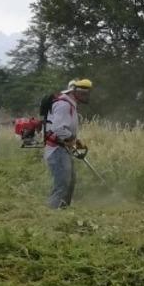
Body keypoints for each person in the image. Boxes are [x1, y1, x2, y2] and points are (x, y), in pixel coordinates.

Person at [44, 78, 93, 209]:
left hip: (63, 149)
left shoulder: (70, 105)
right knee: (62, 184)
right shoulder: (64, 105)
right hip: (57, 150)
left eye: (87, 93)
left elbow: (65, 128)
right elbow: (58, 129)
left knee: (70, 182)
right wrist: (71, 138)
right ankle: (51, 213)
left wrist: (75, 141)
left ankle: (63, 210)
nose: (86, 96)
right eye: (83, 93)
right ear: (74, 92)